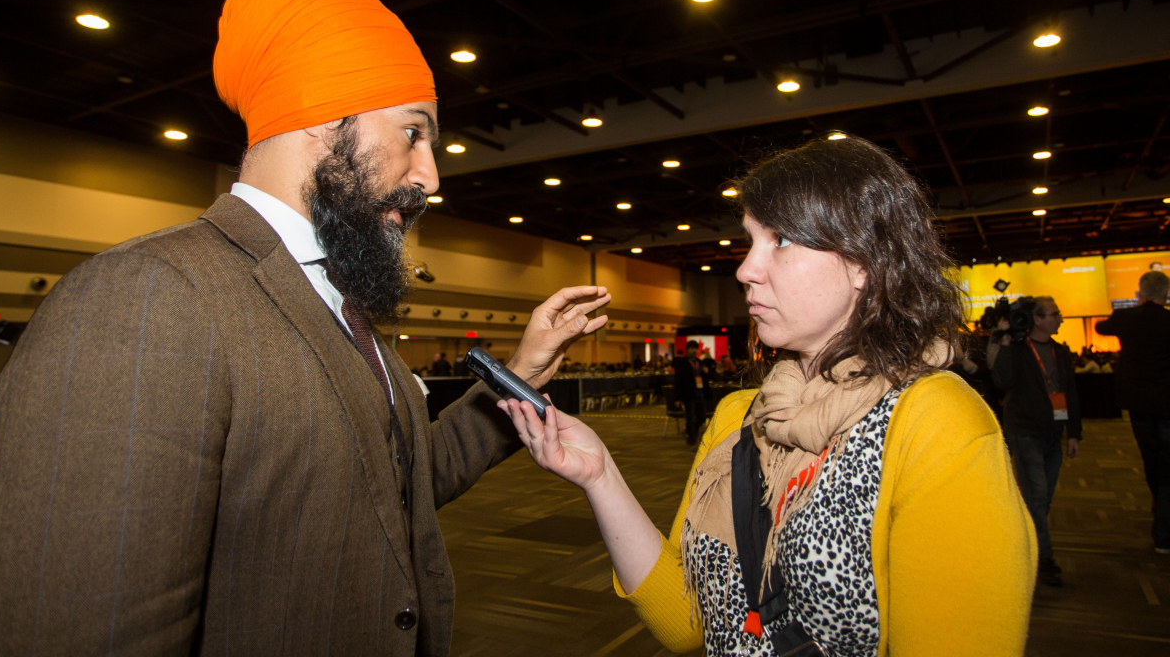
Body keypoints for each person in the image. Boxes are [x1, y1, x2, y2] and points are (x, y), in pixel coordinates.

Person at [0, 0, 610, 656]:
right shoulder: (146, 299)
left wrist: (520, 369)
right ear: (322, 114)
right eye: (413, 132)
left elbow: (401, 482)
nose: (431, 175)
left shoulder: (338, 303)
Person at [499, 136, 1036, 656]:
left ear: (862, 263)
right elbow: (691, 621)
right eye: (751, 240)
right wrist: (600, 476)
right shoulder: (740, 416)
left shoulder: (937, 422)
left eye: (779, 240)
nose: (745, 269)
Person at [989, 296, 1081, 587]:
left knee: (1041, 499)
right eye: (1054, 314)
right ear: (1037, 319)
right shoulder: (1017, 349)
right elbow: (1002, 380)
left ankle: (1025, 546)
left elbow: (1071, 393)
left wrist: (1075, 432)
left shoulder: (1060, 352)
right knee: (1037, 497)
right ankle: (1043, 560)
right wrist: (1002, 341)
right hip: (1025, 432)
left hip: (1053, 434)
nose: (1060, 319)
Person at [1095, 271, 1170, 554]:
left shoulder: (1126, 318)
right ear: (1165, 294)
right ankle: (1163, 529)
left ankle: (1160, 512)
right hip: (1167, 402)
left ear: (1140, 294)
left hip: (1138, 403)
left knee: (1151, 460)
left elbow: (1102, 328)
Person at [673, 340, 709, 445]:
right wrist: (678, 398)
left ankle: (691, 432)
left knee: (702, 417)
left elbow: (705, 378)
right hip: (688, 395)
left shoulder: (700, 362)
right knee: (690, 418)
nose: (694, 350)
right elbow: (677, 380)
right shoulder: (682, 363)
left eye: (695, 348)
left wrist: (706, 372)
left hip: (700, 393)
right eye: (691, 348)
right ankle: (692, 440)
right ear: (687, 350)